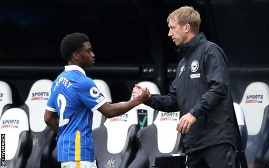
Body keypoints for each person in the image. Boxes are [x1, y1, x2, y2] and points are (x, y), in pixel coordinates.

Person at [133, 6, 237, 168]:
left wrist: (193, 113)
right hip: (193, 143)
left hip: (216, 140)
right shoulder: (183, 63)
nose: (169, 34)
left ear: (186, 27)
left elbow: (219, 88)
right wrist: (149, 99)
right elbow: (174, 100)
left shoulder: (210, 51)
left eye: (172, 28)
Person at [44, 32, 149, 168]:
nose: (93, 55)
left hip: (68, 152)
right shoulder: (82, 82)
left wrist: (66, 136)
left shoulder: (58, 81)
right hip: (79, 154)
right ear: (76, 56)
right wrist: (137, 100)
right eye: (88, 51)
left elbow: (48, 117)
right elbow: (109, 111)